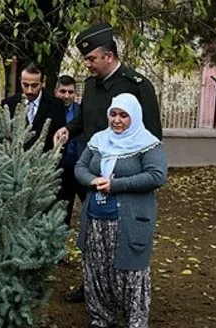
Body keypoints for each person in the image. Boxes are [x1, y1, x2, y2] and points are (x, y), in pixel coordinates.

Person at [54, 22, 163, 303]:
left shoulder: (136, 86)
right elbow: (87, 119)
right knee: (92, 233)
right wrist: (70, 129)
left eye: (91, 59)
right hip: (91, 172)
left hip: (124, 178)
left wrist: (128, 179)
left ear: (109, 56)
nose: (87, 65)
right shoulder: (91, 85)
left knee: (121, 236)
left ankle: (122, 289)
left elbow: (152, 134)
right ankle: (93, 284)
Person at [74, 93, 166, 328]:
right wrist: (92, 180)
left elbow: (156, 176)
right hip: (96, 217)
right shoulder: (99, 140)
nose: (117, 120)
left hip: (128, 220)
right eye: (113, 114)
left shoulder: (148, 144)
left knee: (130, 272)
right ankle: (101, 316)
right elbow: (80, 167)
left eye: (123, 115)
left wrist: (115, 185)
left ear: (134, 117)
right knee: (97, 268)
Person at [0, 62, 66, 151]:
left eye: (34, 85)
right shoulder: (8, 105)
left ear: (43, 82)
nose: (29, 91)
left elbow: (61, 139)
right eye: (25, 85)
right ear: (20, 80)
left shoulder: (56, 106)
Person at [55, 75, 87, 228]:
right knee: (62, 213)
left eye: (70, 92)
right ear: (56, 91)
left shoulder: (82, 112)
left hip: (80, 166)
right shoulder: (51, 110)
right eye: (63, 91)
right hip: (60, 169)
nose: (66, 96)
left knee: (89, 205)